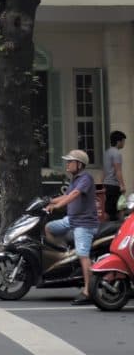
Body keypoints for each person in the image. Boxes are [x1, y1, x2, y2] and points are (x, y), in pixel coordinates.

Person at [44, 149, 99, 305]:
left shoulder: (86, 178)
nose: (67, 164)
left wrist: (57, 206)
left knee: (83, 254)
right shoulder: (75, 179)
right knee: (49, 228)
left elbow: (74, 195)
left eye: (70, 162)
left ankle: (88, 291)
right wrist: (48, 201)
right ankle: (66, 256)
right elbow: (66, 195)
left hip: (84, 224)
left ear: (79, 165)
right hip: (71, 220)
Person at [103, 130, 127, 221]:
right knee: (120, 208)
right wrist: (122, 185)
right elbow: (118, 170)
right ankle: (121, 226)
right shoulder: (117, 153)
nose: (124, 143)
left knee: (109, 208)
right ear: (118, 141)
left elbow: (104, 169)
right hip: (114, 185)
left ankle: (107, 225)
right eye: (123, 141)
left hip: (107, 184)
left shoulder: (107, 152)